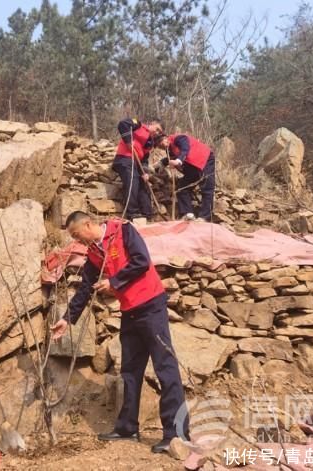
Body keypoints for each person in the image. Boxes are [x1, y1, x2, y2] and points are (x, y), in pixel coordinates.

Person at [51, 211, 190, 453]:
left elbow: (141, 260)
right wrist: (67, 319)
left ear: (88, 224)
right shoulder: (94, 251)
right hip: (130, 311)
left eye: (77, 235)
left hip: (150, 305)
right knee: (129, 371)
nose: (78, 241)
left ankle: (176, 434)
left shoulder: (122, 231)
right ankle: (127, 428)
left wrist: (114, 283)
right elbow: (85, 287)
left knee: (164, 367)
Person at [113, 118, 164, 221]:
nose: (157, 133)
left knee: (143, 185)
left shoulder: (150, 142)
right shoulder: (138, 125)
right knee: (133, 181)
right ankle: (132, 213)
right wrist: (128, 142)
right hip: (125, 158)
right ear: (152, 123)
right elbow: (122, 124)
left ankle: (147, 214)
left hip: (136, 163)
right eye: (157, 129)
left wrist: (145, 172)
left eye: (160, 132)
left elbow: (144, 159)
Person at [159, 133, 215, 221]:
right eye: (158, 145)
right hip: (193, 166)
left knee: (207, 188)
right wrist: (162, 163)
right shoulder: (169, 149)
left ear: (166, 138)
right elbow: (172, 157)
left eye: (161, 141)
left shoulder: (179, 138)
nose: (160, 145)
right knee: (182, 187)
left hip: (205, 159)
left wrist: (178, 161)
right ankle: (188, 214)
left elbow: (185, 149)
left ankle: (204, 217)